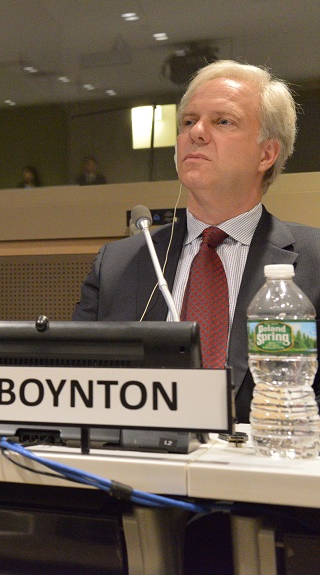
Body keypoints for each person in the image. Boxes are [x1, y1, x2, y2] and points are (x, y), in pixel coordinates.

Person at [73, 60, 320, 422]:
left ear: (266, 154)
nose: (197, 133)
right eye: (188, 121)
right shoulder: (118, 264)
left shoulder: (314, 260)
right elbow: (74, 384)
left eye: (223, 121)